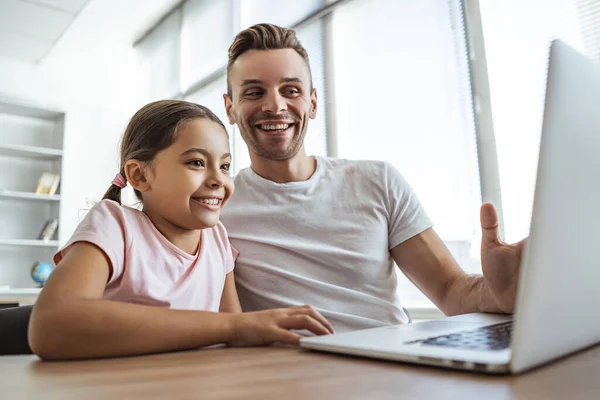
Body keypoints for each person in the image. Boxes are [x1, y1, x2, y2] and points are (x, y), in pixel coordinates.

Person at [220, 24, 524, 332]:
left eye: (291, 90)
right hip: (293, 374)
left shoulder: (377, 181)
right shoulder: (215, 210)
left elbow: (449, 290)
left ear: (312, 103)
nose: (275, 106)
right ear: (230, 108)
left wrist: (497, 292)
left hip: (394, 366)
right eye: (254, 92)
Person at [28, 100, 333, 360]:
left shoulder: (217, 239)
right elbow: (52, 325)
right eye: (197, 162)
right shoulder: (114, 226)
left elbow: (233, 334)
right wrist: (237, 327)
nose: (218, 180)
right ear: (140, 175)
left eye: (225, 166)